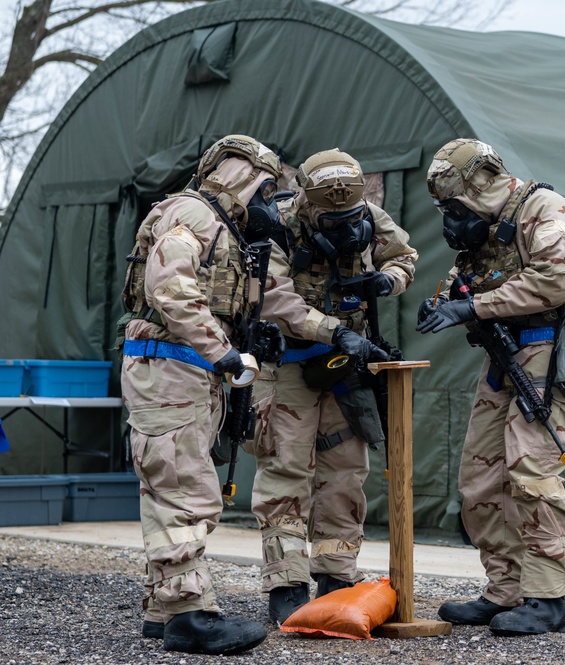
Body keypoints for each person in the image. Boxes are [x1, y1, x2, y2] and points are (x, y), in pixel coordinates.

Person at [119, 135, 381, 654]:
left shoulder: (222, 227)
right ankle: (190, 616)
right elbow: (169, 287)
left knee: (169, 485)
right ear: (242, 177)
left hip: (185, 369)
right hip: (177, 367)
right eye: (264, 191)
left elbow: (264, 298)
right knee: (184, 490)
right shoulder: (192, 216)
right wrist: (224, 353)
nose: (268, 204)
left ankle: (164, 607)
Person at [416, 138, 565, 636]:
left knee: (532, 473)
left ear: (477, 183)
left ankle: (548, 598)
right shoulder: (486, 227)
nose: (451, 217)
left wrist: (471, 308)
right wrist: (444, 302)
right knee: (481, 478)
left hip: (547, 351)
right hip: (502, 355)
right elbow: (464, 280)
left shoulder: (545, 210)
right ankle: (506, 589)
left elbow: (554, 282)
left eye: (452, 204)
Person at [246, 148, 417, 625]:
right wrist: (331, 329)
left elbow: (405, 255)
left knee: (345, 472)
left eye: (350, 214)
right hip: (289, 367)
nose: (344, 224)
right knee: (285, 472)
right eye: (330, 217)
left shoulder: (369, 215)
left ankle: (336, 576)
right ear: (305, 201)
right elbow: (272, 297)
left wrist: (388, 280)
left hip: (347, 368)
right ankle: (287, 582)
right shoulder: (272, 224)